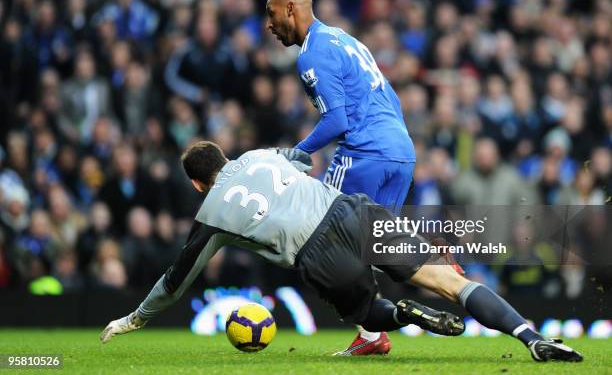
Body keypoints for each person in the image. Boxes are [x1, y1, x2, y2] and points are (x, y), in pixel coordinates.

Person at [100, 141, 583, 363]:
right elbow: (301, 158)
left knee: (371, 314)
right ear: (226, 157)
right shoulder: (258, 156)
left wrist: (133, 319)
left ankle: (406, 315)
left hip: (318, 252)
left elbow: (176, 278)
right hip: (350, 212)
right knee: (454, 283)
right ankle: (530, 336)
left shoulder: (212, 216)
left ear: (196, 183)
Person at [265, 0, 417, 355]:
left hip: (363, 153)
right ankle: (428, 261)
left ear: (290, 10)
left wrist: (293, 154)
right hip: (401, 152)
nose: (268, 26)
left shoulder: (311, 54)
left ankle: (373, 332)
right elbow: (389, 95)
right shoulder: (346, 39)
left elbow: (337, 122)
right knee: (374, 247)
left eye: (270, 15)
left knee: (322, 236)